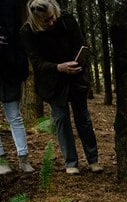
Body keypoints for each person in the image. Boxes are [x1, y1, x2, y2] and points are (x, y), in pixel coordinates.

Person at [20, 0, 103, 175]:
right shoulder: (27, 32)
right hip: (52, 82)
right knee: (61, 120)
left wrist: (78, 64)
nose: (50, 23)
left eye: (52, 18)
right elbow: (36, 62)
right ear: (36, 20)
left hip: (76, 78)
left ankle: (93, 160)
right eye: (45, 21)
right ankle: (71, 162)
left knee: (84, 119)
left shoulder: (67, 20)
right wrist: (58, 67)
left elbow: (81, 45)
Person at [0, 0, 35, 175]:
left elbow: (14, 33)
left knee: (14, 116)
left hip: (9, 67)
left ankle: (23, 158)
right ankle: (1, 160)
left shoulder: (9, 4)